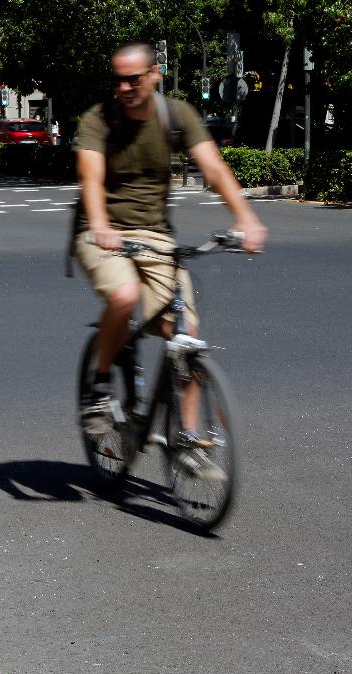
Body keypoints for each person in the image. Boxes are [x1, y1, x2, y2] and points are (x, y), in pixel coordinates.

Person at [73, 42, 267, 479]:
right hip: (100, 232)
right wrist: (102, 224)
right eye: (118, 79)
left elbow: (213, 167)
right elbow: (91, 176)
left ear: (154, 75)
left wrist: (246, 217)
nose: (124, 87)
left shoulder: (176, 115)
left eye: (134, 79)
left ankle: (189, 440)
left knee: (185, 336)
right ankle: (101, 387)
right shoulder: (98, 120)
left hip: (155, 238)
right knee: (123, 296)